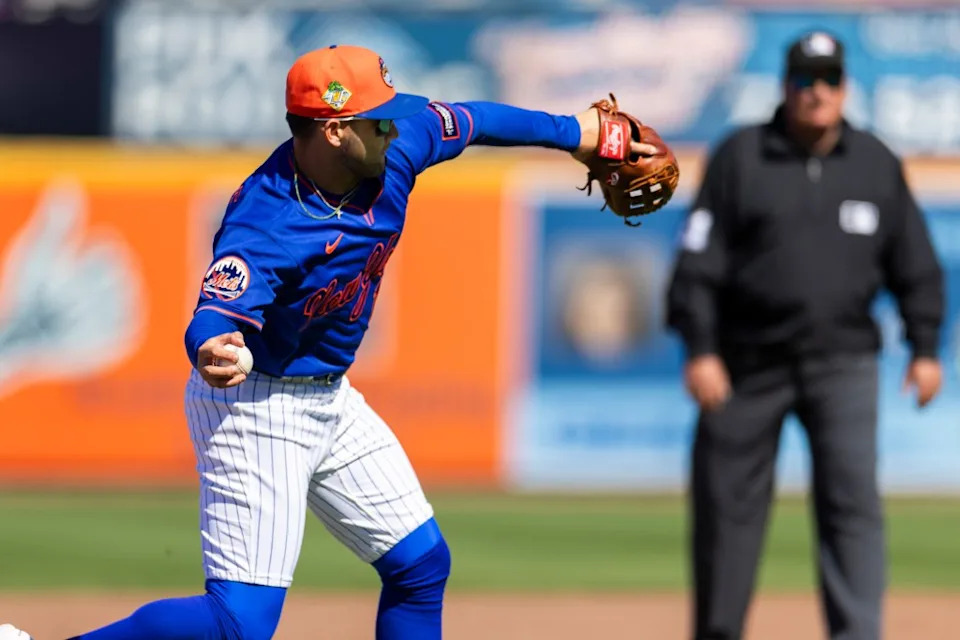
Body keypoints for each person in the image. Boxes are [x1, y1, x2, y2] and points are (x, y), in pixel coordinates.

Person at [0, 45, 656, 640]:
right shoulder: (268, 215)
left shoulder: (402, 139)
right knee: (238, 625)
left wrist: (579, 133)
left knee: (421, 567)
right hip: (256, 407)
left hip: (330, 399)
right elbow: (212, 312)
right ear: (334, 130)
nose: (395, 125)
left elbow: (475, 119)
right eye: (377, 119)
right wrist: (215, 348)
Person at [666, 31, 944, 640]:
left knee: (852, 509)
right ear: (785, 86)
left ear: (844, 88)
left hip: (843, 363)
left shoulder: (875, 162)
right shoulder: (742, 156)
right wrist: (701, 349)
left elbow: (916, 265)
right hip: (744, 364)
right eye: (803, 79)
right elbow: (696, 266)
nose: (815, 92)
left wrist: (925, 348)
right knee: (726, 512)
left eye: (826, 79)